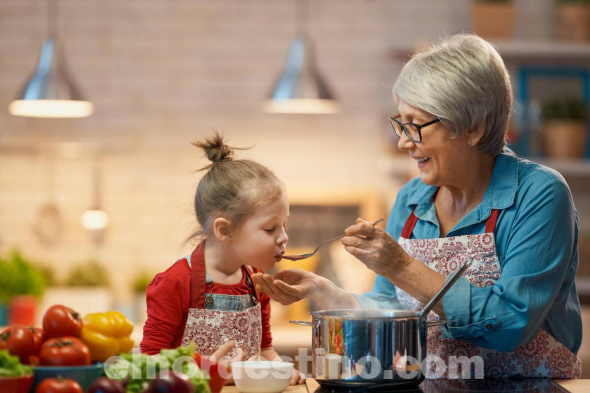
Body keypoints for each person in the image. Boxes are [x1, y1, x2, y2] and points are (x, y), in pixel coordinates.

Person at [252, 34, 582, 379]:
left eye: (416, 125)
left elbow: (511, 324)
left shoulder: (539, 194)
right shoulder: (412, 200)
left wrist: (403, 267)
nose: (403, 141)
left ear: (474, 127)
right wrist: (323, 291)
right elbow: (389, 310)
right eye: (400, 122)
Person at [140, 133, 304, 385]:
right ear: (224, 230)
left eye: (284, 224)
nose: (283, 237)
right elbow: (149, 364)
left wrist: (280, 370)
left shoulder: (257, 281)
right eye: (270, 228)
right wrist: (213, 372)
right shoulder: (175, 283)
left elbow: (265, 349)